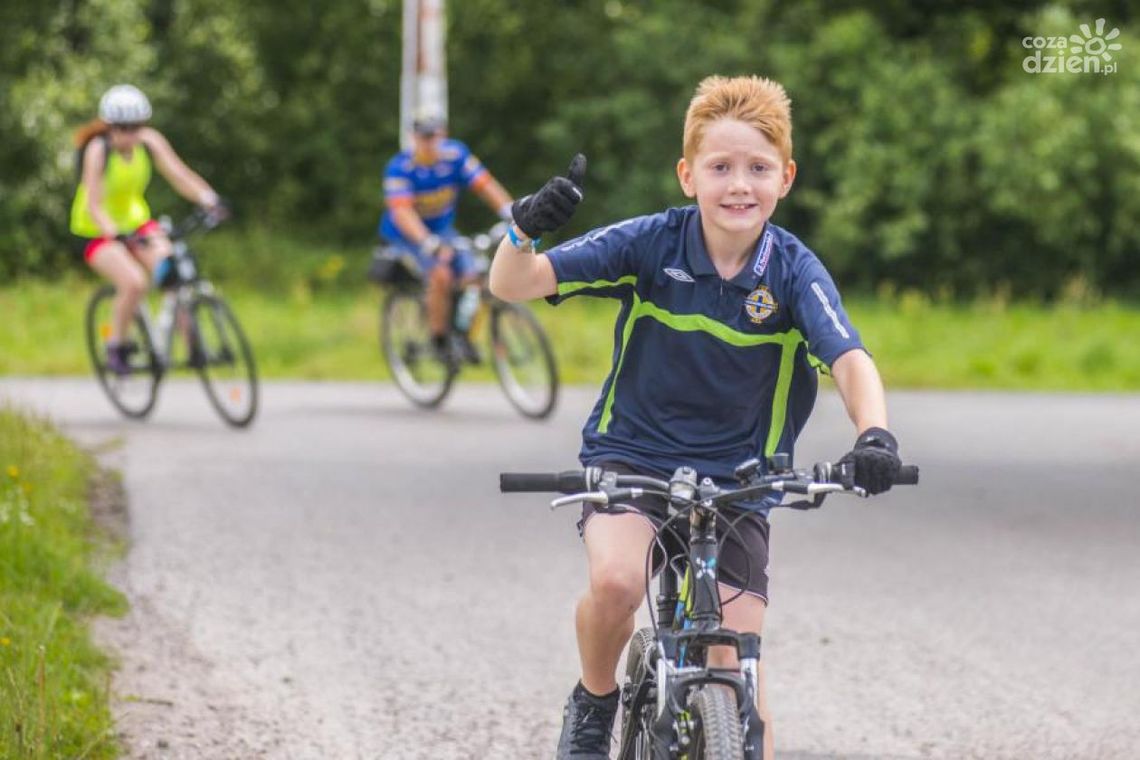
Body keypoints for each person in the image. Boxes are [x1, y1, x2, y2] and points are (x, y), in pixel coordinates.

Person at [489, 75, 904, 760]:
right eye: (720, 167)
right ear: (688, 176)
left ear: (786, 177)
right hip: (634, 458)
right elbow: (514, 284)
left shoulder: (794, 271)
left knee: (739, 677)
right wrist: (523, 231)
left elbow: (850, 357)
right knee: (618, 582)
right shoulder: (651, 243)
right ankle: (594, 702)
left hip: (742, 477)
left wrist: (875, 435)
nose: (739, 185)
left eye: (758, 169)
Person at [70, 84, 225, 374]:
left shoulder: (149, 141)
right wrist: (113, 233)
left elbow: (179, 174)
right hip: (96, 230)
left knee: (173, 271)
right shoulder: (98, 150)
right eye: (122, 128)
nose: (129, 135)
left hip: (137, 224)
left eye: (136, 127)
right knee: (134, 282)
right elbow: (93, 203)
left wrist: (209, 199)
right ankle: (116, 345)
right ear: (109, 125)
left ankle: (193, 344)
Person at [377, 113, 515, 363]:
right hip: (406, 236)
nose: (431, 143)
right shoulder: (400, 167)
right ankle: (438, 340)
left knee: (474, 275)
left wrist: (512, 213)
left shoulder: (456, 156)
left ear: (444, 135)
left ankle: (462, 336)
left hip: (443, 231)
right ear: (414, 138)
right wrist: (427, 242)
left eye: (435, 136)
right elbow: (402, 212)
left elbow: (485, 185)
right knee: (440, 275)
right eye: (425, 138)